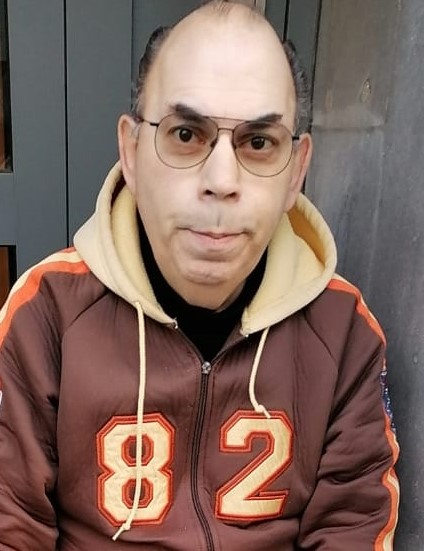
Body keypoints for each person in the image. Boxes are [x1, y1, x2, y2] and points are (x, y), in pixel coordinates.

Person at [0, 2, 399, 549]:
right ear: (131, 151)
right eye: (186, 134)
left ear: (295, 172)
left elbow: (352, 527)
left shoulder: (342, 330)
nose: (221, 179)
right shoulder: (45, 314)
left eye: (259, 143)